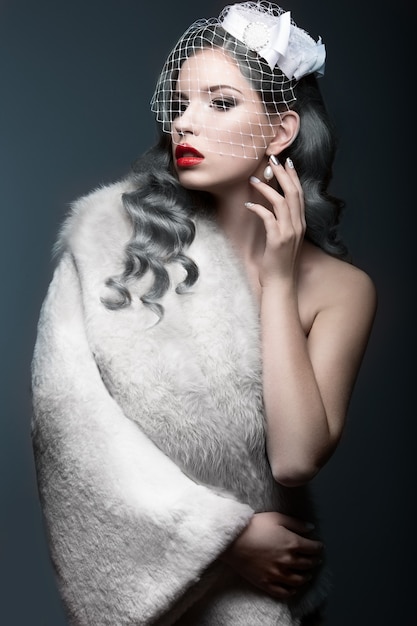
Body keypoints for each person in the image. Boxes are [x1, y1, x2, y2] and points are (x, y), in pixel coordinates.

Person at [31, 2, 377, 624]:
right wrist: (223, 540)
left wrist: (277, 279)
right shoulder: (109, 239)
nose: (184, 122)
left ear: (279, 131)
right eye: (181, 101)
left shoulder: (342, 290)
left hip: (269, 604)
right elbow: (67, 428)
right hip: (165, 588)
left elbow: (295, 458)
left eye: (219, 103)